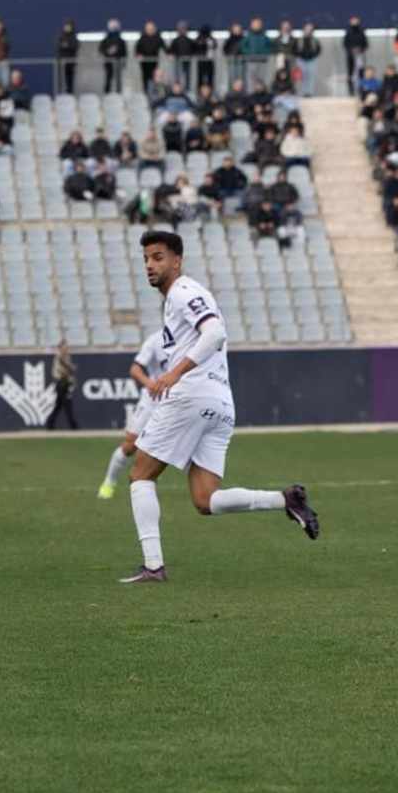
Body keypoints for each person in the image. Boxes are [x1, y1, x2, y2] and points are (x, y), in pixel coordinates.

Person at [119, 231, 320, 584]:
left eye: (158, 257)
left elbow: (214, 334)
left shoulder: (184, 291)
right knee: (205, 500)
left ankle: (153, 566)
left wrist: (174, 373)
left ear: (177, 260)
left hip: (190, 395)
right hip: (220, 403)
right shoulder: (176, 299)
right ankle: (285, 499)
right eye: (146, 259)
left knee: (140, 475)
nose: (150, 265)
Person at [99, 329, 163, 500]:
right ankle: (109, 483)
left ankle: (205, 488)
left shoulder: (193, 340)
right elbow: (135, 370)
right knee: (129, 445)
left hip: (179, 402)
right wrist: (150, 383)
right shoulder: (155, 340)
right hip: (152, 401)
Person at [46, 341, 78, 430]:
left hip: (65, 383)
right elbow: (64, 370)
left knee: (59, 405)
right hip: (62, 383)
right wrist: (72, 368)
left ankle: (50, 424)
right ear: (60, 348)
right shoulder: (59, 358)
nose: (66, 349)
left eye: (66, 347)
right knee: (67, 404)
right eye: (64, 347)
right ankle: (73, 425)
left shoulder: (65, 358)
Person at [100, 18, 127, 93]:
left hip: (118, 62)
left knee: (118, 79)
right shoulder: (106, 39)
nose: (114, 28)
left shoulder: (121, 40)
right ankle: (107, 93)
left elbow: (124, 52)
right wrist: (108, 51)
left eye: (116, 27)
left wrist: (123, 62)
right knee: (109, 77)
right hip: (109, 62)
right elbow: (101, 48)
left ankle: (118, 93)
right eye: (113, 27)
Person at [134, 21, 163, 90]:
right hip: (144, 62)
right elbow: (137, 48)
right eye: (148, 28)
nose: (150, 30)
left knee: (154, 76)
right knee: (145, 76)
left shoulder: (157, 38)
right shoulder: (142, 38)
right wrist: (138, 55)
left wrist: (169, 54)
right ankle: (146, 90)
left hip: (154, 61)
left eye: (151, 28)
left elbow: (164, 47)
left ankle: (154, 90)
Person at [295, 22, 321, 96]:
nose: (308, 30)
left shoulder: (315, 40)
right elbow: (295, 49)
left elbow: (318, 49)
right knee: (303, 77)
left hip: (312, 60)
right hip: (301, 60)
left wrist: (314, 55)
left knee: (311, 76)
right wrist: (299, 56)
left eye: (310, 29)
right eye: (306, 28)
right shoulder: (300, 40)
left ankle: (310, 92)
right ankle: (304, 92)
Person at [343, 16, 367, 94]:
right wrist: (351, 50)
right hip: (350, 56)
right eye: (353, 21)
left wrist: (359, 49)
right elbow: (345, 44)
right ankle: (351, 91)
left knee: (361, 73)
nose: (354, 23)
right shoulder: (348, 32)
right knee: (350, 74)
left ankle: (361, 90)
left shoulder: (362, 32)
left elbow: (365, 44)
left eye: (356, 21)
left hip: (360, 55)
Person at [56, 21, 78, 94]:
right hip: (63, 62)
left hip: (71, 61)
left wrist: (67, 46)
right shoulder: (61, 36)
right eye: (66, 27)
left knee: (70, 78)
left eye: (69, 27)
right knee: (62, 77)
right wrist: (66, 46)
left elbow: (76, 45)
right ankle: (62, 92)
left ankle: (70, 92)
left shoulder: (73, 37)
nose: (67, 28)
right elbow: (59, 45)